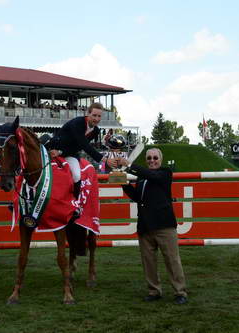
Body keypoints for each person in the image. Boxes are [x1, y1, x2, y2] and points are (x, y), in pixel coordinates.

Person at [119, 148, 188, 305]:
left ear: (161, 160)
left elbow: (152, 175)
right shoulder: (142, 180)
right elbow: (137, 197)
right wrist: (123, 182)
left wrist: (129, 165)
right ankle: (154, 291)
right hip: (145, 226)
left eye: (155, 157)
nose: (152, 160)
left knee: (172, 260)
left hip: (165, 226)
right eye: (149, 158)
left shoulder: (165, 173)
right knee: (148, 262)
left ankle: (180, 292)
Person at [45, 102, 117, 198]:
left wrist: (61, 153)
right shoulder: (78, 123)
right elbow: (85, 146)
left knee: (77, 176)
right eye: (94, 115)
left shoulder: (96, 131)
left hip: (69, 153)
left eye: (99, 116)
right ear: (88, 113)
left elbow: (78, 147)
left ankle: (75, 203)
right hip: (52, 148)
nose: (96, 119)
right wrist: (106, 160)